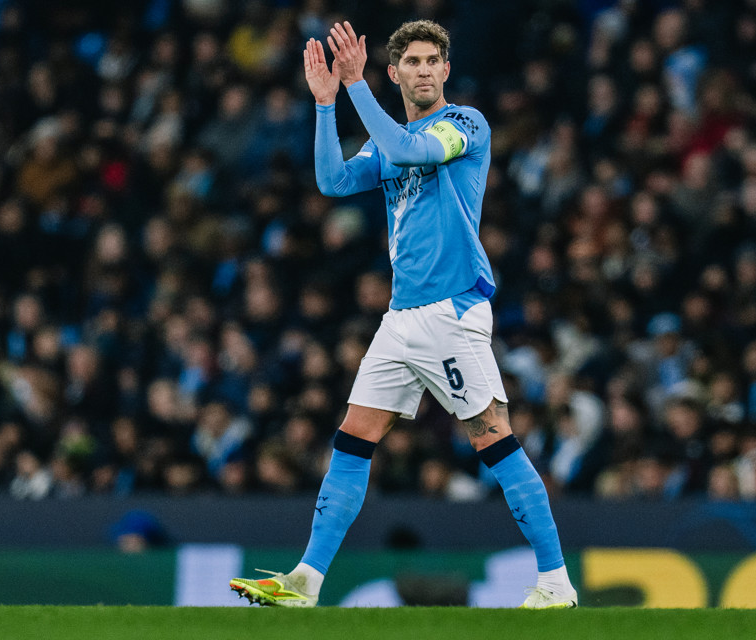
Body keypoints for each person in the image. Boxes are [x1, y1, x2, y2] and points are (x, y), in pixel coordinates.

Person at [229, 19, 577, 610]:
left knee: (493, 440)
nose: (421, 70)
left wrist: (356, 87)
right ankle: (306, 581)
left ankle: (556, 582)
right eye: (410, 62)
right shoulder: (384, 134)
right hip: (401, 317)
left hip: (451, 311)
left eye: (430, 61)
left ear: (445, 70)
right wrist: (323, 104)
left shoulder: (464, 123)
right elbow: (333, 181)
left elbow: (409, 149)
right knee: (352, 438)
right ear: (396, 73)